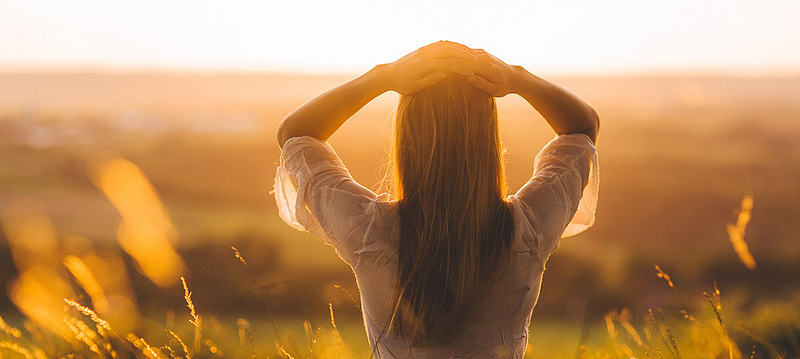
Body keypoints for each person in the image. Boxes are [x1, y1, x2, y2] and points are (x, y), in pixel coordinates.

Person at [274, 40, 599, 358]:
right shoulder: (528, 230)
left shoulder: (369, 233)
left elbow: (296, 134)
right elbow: (582, 128)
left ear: (406, 140)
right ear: (488, 140)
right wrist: (518, 79)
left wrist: (381, 77)